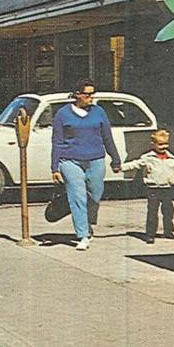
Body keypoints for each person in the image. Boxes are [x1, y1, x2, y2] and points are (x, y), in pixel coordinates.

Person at [52, 79, 122, 251]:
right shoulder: (62, 114)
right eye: (88, 94)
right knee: (78, 197)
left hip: (96, 160)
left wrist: (116, 159)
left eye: (93, 94)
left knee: (95, 194)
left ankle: (88, 222)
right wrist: (54, 167)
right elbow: (57, 142)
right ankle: (82, 235)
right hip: (69, 161)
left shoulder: (99, 112)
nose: (91, 97)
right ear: (77, 94)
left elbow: (107, 137)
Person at [122, 129, 174, 243]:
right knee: (152, 212)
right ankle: (150, 234)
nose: (163, 147)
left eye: (165, 144)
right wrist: (121, 167)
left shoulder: (172, 158)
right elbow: (135, 164)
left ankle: (168, 231)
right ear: (153, 144)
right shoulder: (148, 158)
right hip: (153, 188)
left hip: (167, 187)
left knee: (168, 210)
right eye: (160, 144)